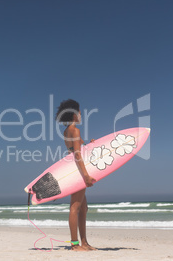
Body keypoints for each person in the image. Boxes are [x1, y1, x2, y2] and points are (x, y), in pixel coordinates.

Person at [56, 99, 97, 251]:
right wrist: (86, 176)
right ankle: (75, 244)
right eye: (79, 112)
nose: (81, 114)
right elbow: (78, 154)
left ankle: (84, 242)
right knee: (75, 206)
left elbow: (79, 149)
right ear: (74, 114)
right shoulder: (75, 130)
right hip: (78, 171)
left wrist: (91, 144)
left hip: (73, 169)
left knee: (83, 207)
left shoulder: (67, 131)